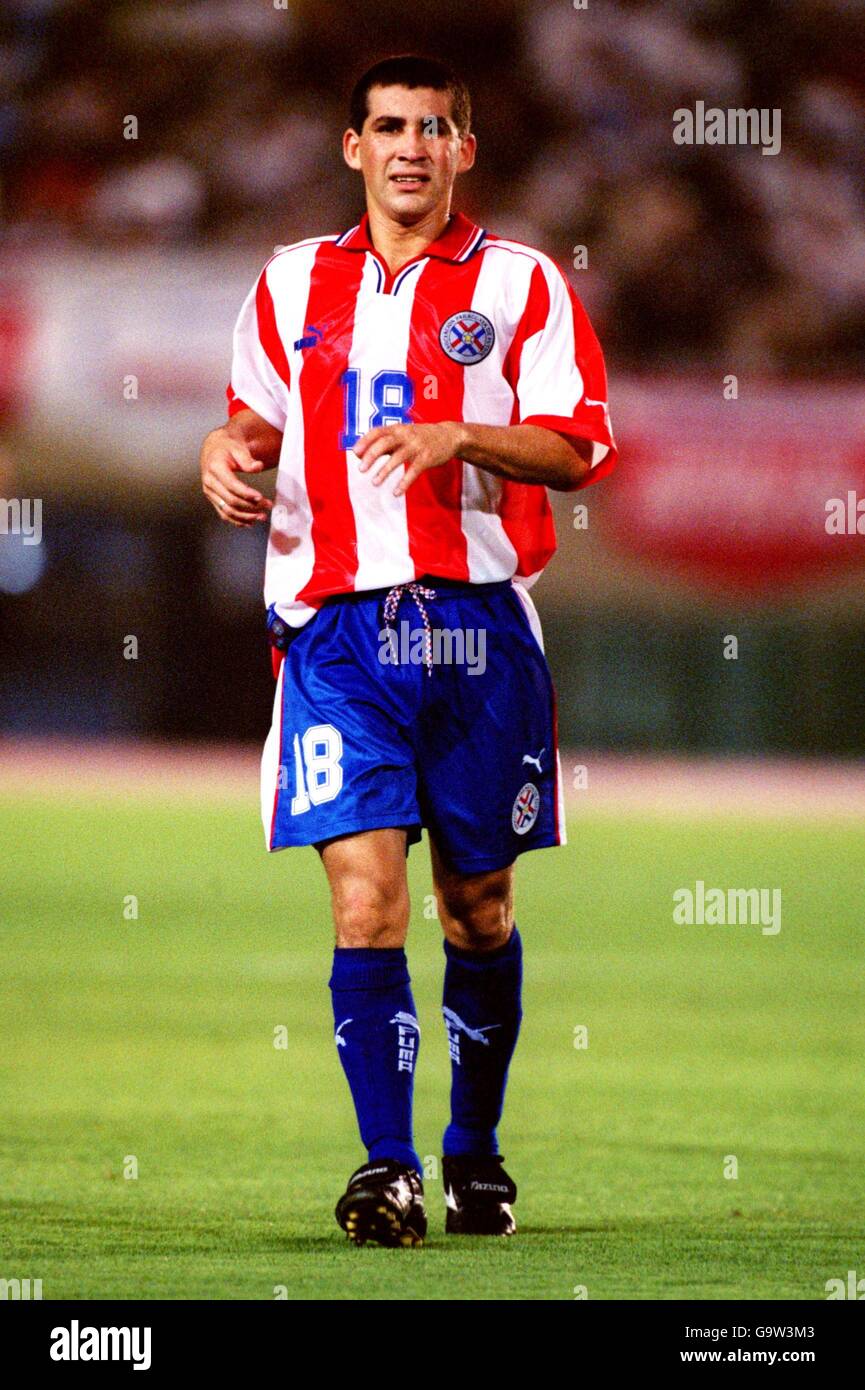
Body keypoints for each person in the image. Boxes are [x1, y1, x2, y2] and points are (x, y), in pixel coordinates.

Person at [199, 54, 616, 1247]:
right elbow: (256, 417)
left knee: (477, 908)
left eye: (435, 128)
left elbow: (578, 447)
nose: (411, 148)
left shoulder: (524, 284)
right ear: (352, 147)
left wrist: (458, 435)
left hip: (476, 631)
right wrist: (224, 452)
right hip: (336, 631)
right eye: (389, 127)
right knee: (364, 902)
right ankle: (384, 1168)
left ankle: (472, 1154)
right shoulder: (289, 283)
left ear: (464, 150)